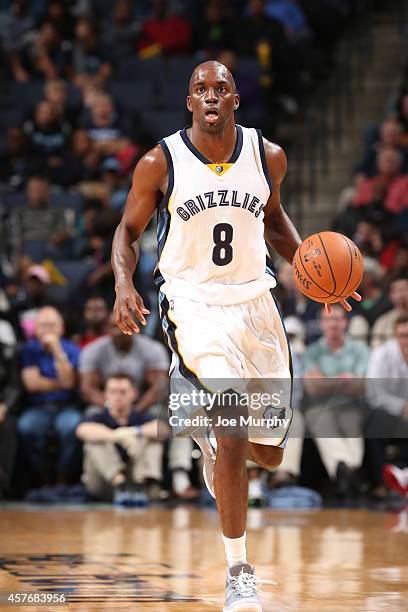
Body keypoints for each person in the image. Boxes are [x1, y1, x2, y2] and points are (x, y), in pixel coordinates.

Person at [110, 61, 359, 611]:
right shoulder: (161, 162)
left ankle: (212, 445)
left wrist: (311, 269)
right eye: (201, 89)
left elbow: (272, 218)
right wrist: (124, 283)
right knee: (231, 420)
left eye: (221, 87)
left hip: (256, 305)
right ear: (190, 102)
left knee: (266, 454)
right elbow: (127, 230)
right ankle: (239, 572)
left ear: (236, 99)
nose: (211, 95)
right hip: (193, 302)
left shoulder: (267, 157)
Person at [303, 304, 369, 496]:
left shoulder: (359, 349)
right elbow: (313, 388)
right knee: (320, 421)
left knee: (351, 423)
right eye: (328, 319)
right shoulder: (312, 351)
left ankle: (345, 473)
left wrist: (325, 380)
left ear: (346, 323)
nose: (333, 324)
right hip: (321, 407)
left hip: (353, 406)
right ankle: (349, 472)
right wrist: (343, 379)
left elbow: (361, 385)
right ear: (321, 324)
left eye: (338, 319)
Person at [76, 373, 166, 504]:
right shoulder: (98, 417)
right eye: (113, 392)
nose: (118, 396)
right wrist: (117, 435)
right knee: (95, 441)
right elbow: (81, 430)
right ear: (106, 394)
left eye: (123, 392)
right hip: (105, 486)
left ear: (134, 394)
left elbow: (163, 429)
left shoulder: (140, 416)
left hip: (138, 485)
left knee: (152, 440)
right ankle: (120, 484)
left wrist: (135, 431)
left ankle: (140, 485)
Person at [17, 306, 82, 487]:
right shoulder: (29, 350)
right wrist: (60, 382)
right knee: (26, 427)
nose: (48, 330)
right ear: (36, 329)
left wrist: (56, 350)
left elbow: (69, 383)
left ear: (61, 328)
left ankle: (62, 477)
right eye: (43, 325)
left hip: (67, 406)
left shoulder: (72, 349)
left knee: (71, 427)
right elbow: (32, 385)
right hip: (39, 407)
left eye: (52, 325)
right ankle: (43, 478)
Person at [371, 272, 408, 347]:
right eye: (396, 291)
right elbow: (375, 346)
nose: (401, 295)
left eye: (404, 289)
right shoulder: (382, 322)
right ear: (390, 296)